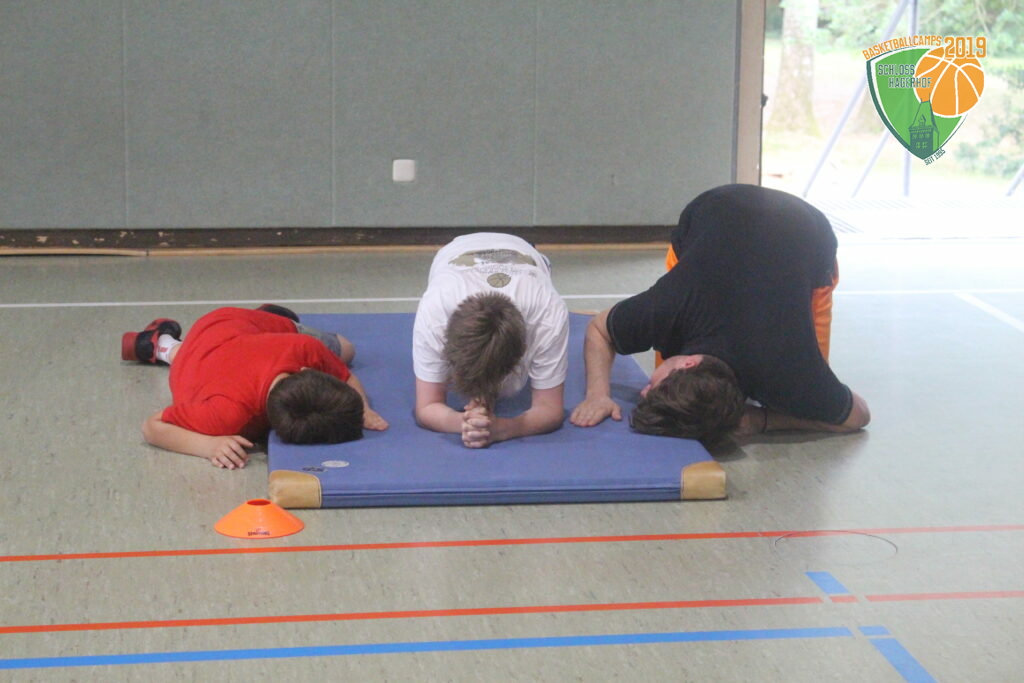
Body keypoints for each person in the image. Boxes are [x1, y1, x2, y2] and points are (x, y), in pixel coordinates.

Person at [570, 184, 870, 445]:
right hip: (718, 206)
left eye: (647, 388)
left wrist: (763, 419)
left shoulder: (792, 371)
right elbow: (599, 329)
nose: (643, 391)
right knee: (674, 411)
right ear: (688, 363)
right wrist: (597, 394)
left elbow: (858, 416)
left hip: (808, 232)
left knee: (805, 406)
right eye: (652, 386)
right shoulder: (668, 306)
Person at [122, 304, 388, 469]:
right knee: (347, 350)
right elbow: (151, 427)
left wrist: (363, 407)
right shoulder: (226, 415)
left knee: (341, 351)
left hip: (223, 337)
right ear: (308, 369)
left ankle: (165, 345)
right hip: (222, 327)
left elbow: (347, 379)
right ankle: (165, 346)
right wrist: (207, 446)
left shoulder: (303, 350)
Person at [413, 233, 569, 448]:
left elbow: (550, 409)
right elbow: (426, 407)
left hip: (525, 256)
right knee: (475, 381)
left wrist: (504, 428)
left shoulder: (547, 312)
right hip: (454, 252)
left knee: (502, 388)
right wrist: (465, 424)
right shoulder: (434, 310)